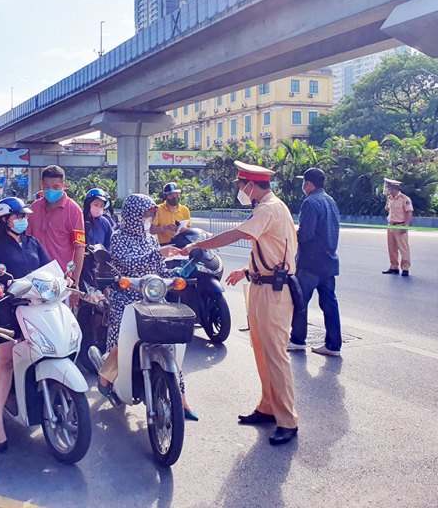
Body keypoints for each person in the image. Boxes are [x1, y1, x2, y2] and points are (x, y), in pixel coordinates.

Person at [181, 161, 299, 445]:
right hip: (261, 285)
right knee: (261, 350)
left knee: (275, 354)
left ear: (252, 186)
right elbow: (271, 247)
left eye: (241, 185)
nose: (240, 190)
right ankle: (268, 407)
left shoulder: (269, 208)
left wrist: (200, 246)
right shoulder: (270, 208)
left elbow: (239, 234)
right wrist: (247, 271)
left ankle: (288, 420)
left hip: (274, 291)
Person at [97, 194, 197, 420]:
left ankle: (181, 398)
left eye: (151, 215)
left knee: (169, 343)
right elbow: (127, 263)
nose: (148, 219)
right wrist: (158, 253)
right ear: (132, 215)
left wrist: (183, 270)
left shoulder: (151, 239)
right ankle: (106, 376)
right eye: (145, 215)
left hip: (151, 296)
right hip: (126, 295)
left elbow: (160, 271)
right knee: (120, 335)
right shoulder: (118, 237)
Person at [0, 197, 52, 452]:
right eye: (18, 217)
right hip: (6, 309)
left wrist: (62, 281)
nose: (24, 220)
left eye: (25, 216)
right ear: (4, 220)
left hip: (36, 307)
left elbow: (48, 270)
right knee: (6, 360)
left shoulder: (33, 242)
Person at [288, 168, 342, 357]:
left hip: (310, 263)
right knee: (329, 304)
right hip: (329, 260)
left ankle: (297, 340)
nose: (303, 186)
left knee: (300, 302)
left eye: (304, 182)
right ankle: (334, 345)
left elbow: (305, 234)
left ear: (309, 184)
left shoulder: (310, 202)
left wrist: (291, 235)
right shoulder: (330, 201)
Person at [26, 165, 85, 293]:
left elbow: (79, 248)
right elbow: (27, 241)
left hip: (62, 280)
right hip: (37, 277)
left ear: (64, 186)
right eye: (46, 187)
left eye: (56, 187)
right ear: (41, 185)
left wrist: (75, 282)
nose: (51, 191)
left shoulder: (74, 211)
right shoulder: (35, 208)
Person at [382, 178, 413, 276]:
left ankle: (405, 268)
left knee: (403, 248)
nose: (387, 189)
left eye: (388, 187)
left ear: (393, 188)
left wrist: (406, 226)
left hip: (400, 226)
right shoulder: (390, 198)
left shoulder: (405, 199)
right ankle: (393, 267)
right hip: (391, 226)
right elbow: (388, 209)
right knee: (392, 248)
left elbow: (409, 212)